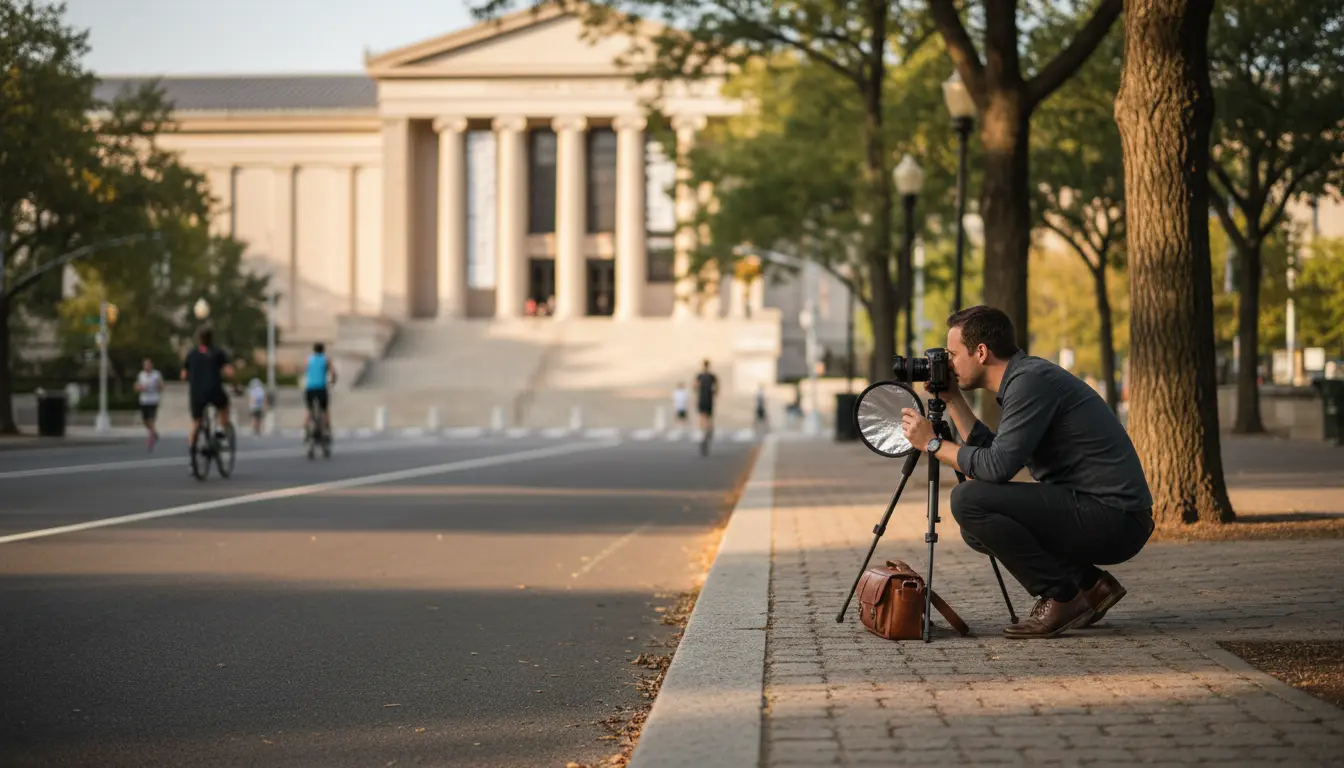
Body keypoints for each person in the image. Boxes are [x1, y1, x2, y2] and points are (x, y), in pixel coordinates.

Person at [898, 305, 1154, 639]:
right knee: (977, 527)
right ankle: (1090, 586)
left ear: (981, 352)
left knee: (968, 500)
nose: (947, 363)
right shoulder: (1025, 379)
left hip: (1116, 518)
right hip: (1097, 509)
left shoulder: (1030, 382)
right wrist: (954, 400)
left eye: (952, 354)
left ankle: (1062, 597)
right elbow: (996, 461)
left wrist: (932, 445)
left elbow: (996, 466)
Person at [180, 327, 236, 450]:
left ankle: (192, 446)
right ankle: (221, 430)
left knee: (196, 421)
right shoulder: (218, 352)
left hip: (196, 393)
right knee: (224, 406)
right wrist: (236, 386)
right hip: (214, 390)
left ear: (198, 339)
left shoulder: (192, 354)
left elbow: (183, 375)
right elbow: (230, 372)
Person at [303, 342, 338, 438]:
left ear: (314, 350)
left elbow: (305, 371)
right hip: (321, 388)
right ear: (323, 350)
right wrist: (333, 382)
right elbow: (333, 372)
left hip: (310, 388)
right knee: (325, 410)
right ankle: (326, 430)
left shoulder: (308, 359)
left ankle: (306, 430)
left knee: (309, 410)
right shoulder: (325, 359)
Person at [134, 357, 163, 451]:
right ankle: (154, 433)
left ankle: (150, 439)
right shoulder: (141, 375)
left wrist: (157, 387)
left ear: (151, 365)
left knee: (151, 420)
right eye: (145, 365)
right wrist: (140, 388)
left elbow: (161, 386)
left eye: (148, 364)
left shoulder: (156, 374)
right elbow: (136, 386)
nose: (147, 366)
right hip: (144, 400)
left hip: (153, 400)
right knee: (145, 420)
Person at [695, 359, 718, 455]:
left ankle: (702, 432)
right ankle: (708, 431)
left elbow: (695, 387)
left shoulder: (700, 376)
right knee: (709, 418)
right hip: (709, 400)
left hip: (702, 399)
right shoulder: (712, 376)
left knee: (702, 417)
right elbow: (717, 389)